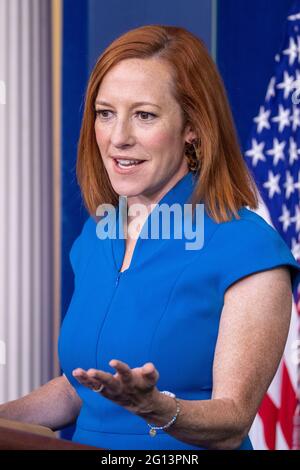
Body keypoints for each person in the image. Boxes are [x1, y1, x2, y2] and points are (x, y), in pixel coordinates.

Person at [1, 24, 300, 451]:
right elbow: (78, 389)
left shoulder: (249, 249)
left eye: (144, 115)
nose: (118, 137)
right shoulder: (96, 236)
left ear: (192, 127)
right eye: (106, 113)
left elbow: (232, 420)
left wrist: (157, 408)